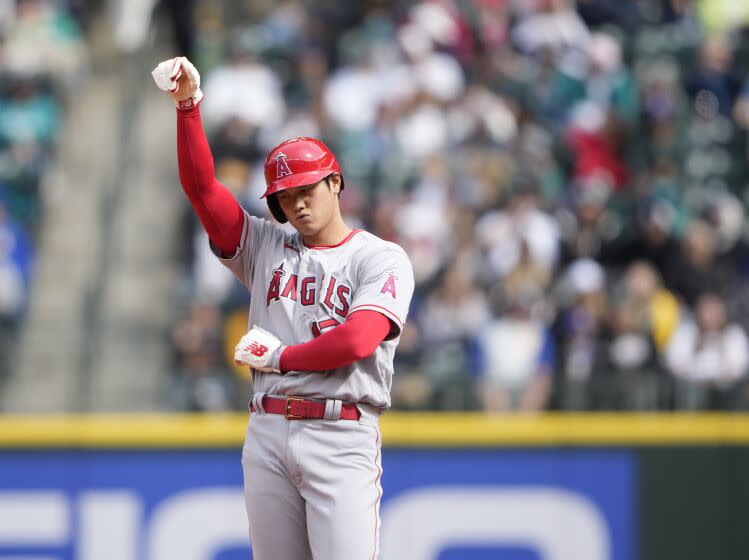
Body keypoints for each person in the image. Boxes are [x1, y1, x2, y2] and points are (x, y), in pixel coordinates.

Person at [152, 57, 415, 559]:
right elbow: (203, 190)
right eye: (284, 196)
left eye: (307, 189)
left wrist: (279, 358)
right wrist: (188, 108)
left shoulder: (380, 257)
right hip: (268, 428)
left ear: (335, 183)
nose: (296, 204)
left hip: (340, 433)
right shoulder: (266, 245)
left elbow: (360, 339)